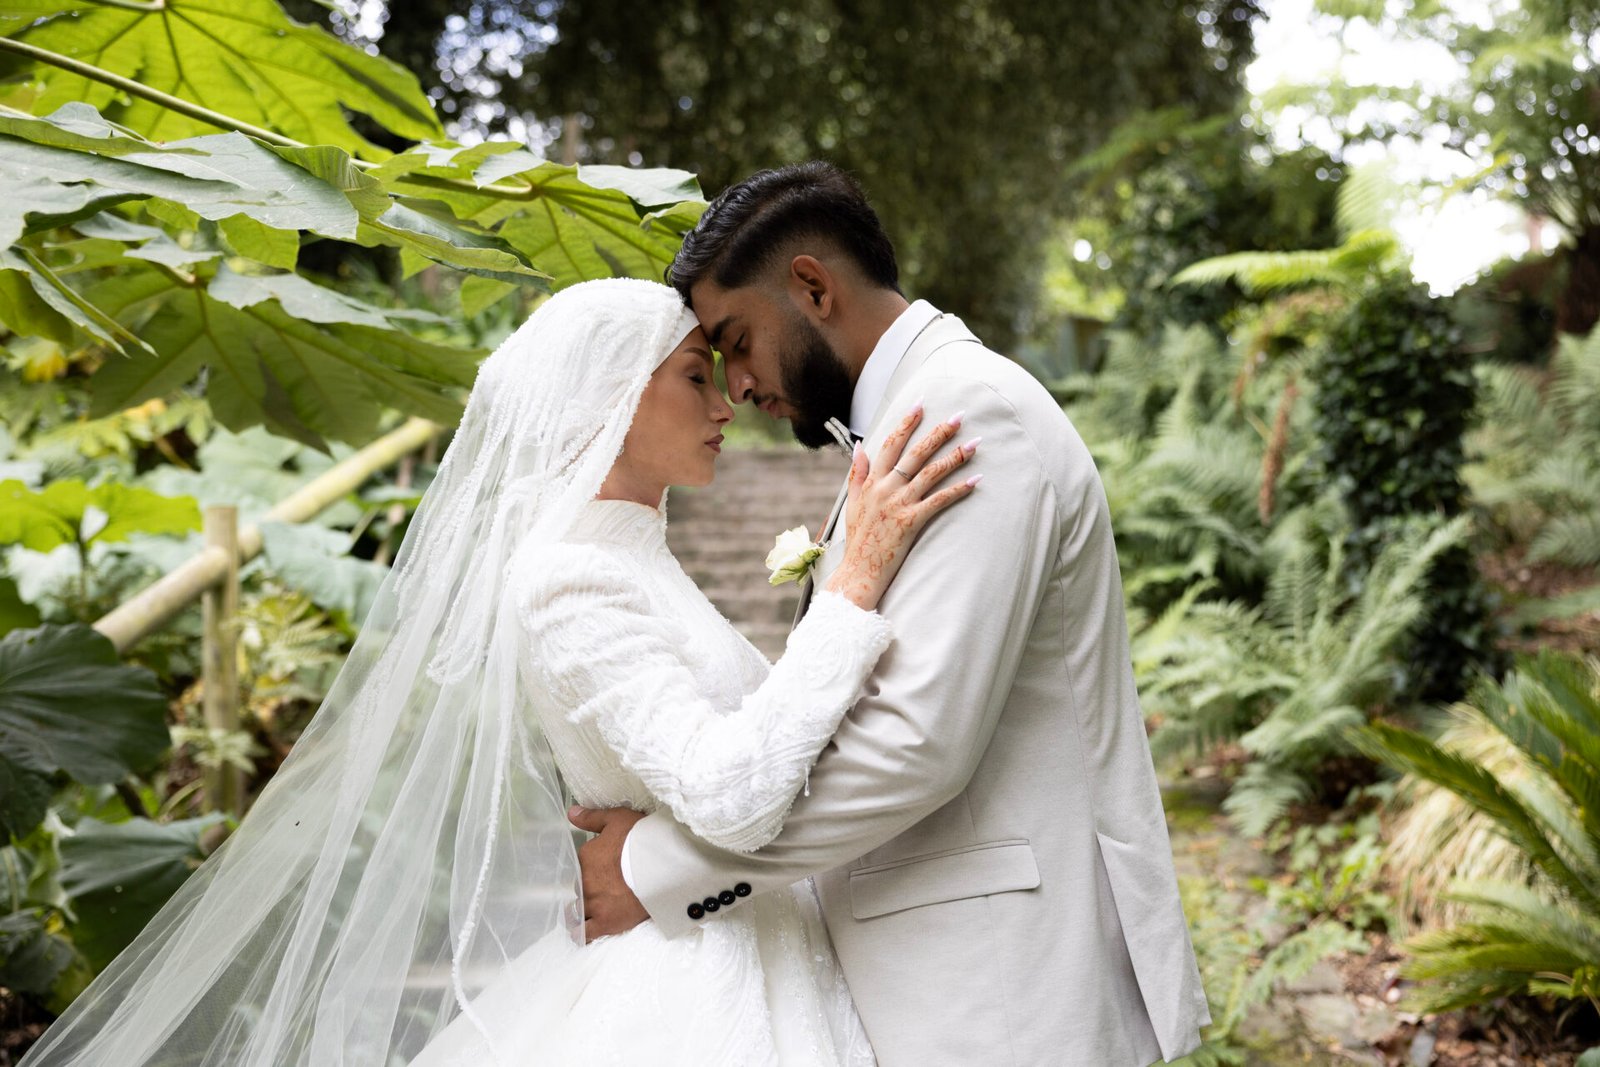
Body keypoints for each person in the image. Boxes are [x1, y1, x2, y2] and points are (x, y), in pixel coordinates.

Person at [19, 278, 977, 1066]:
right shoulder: (570, 579)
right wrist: (849, 591)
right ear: (609, 398)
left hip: (754, 950)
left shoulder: (634, 558)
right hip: (696, 987)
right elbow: (732, 791)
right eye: (696, 376)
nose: (726, 402)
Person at [571, 163, 1212, 1066]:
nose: (740, 384)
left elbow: (915, 741)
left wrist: (663, 869)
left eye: (738, 339)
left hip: (999, 994)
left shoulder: (963, 412)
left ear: (812, 286)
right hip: (947, 980)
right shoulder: (909, 420)